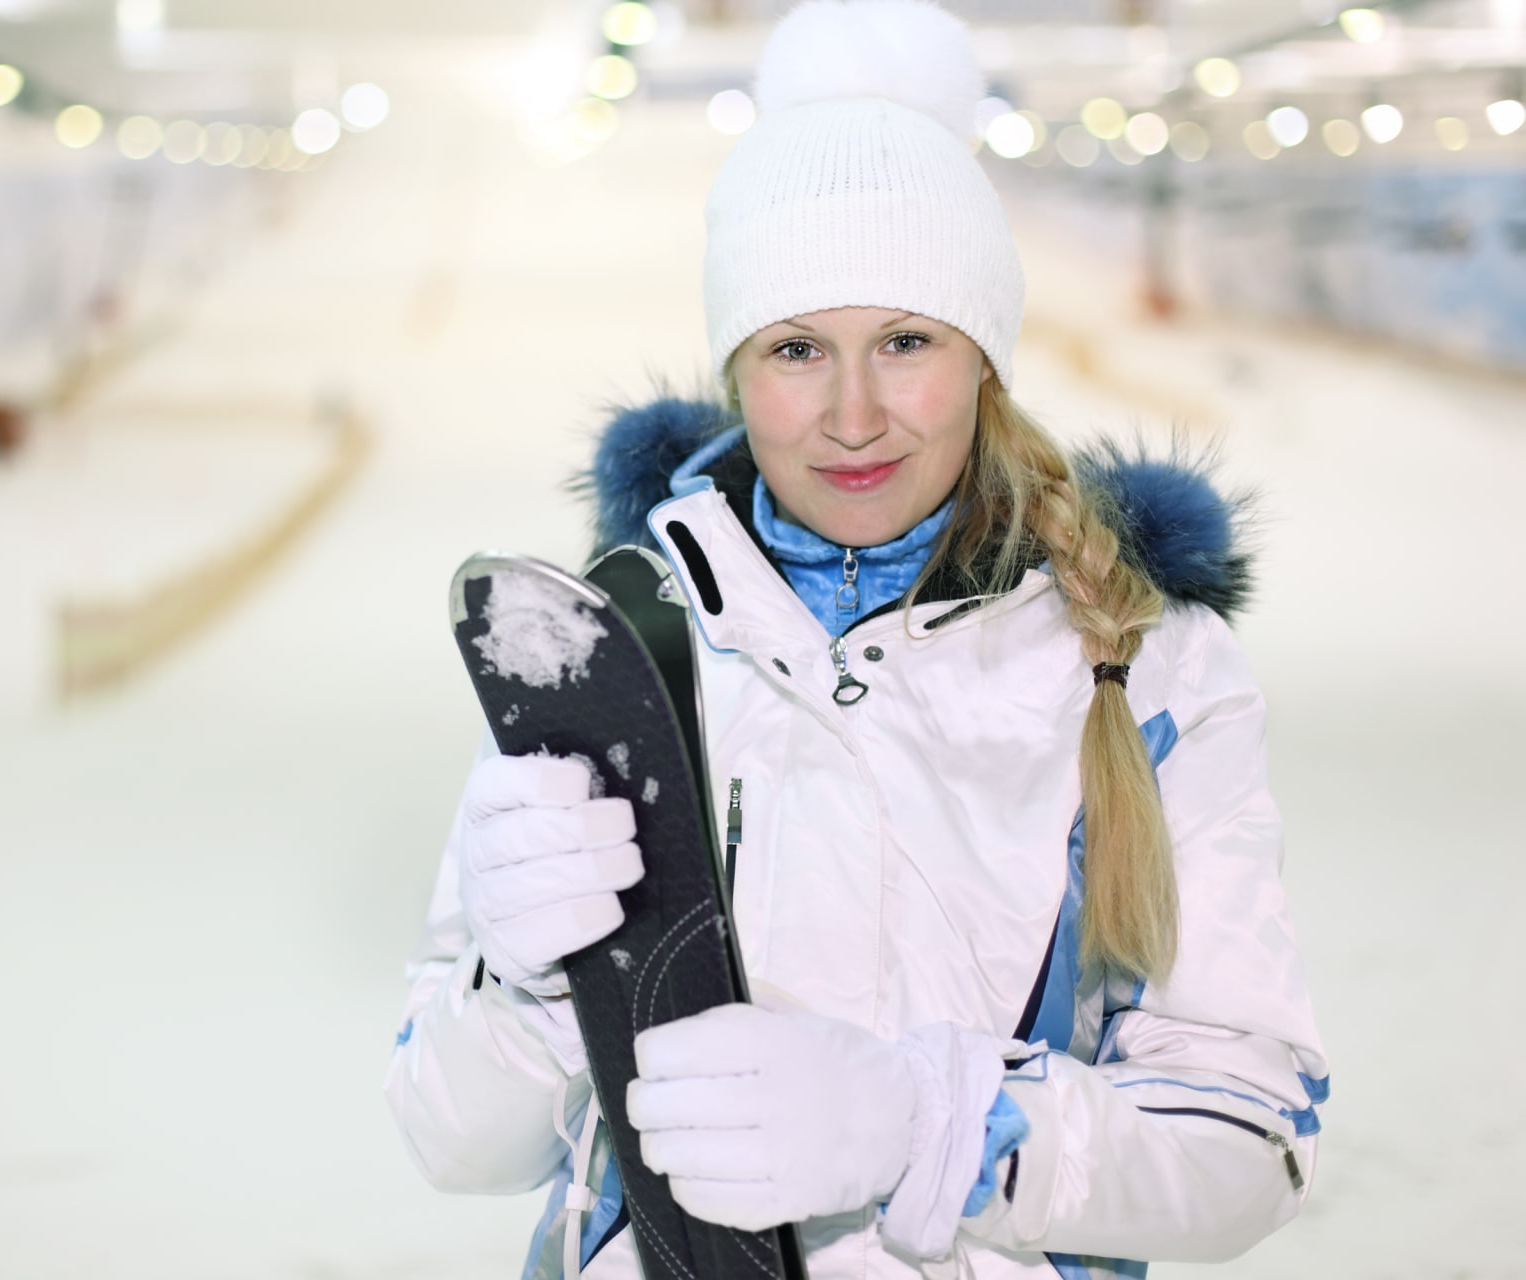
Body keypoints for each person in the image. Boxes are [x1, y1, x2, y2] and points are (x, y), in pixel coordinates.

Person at [383, 3, 1328, 1277]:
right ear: (738, 367)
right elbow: (454, 1142)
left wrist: (936, 1129)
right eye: (795, 349)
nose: (853, 413)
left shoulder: (1145, 661)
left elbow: (1246, 1138)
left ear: (983, 354)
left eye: (905, 340)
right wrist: (526, 982)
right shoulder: (620, 644)